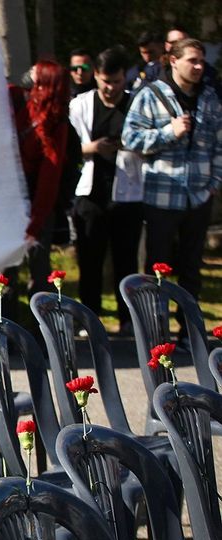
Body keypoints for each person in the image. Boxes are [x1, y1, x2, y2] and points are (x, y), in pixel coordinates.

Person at [122, 38, 222, 342]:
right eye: (192, 60)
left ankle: (189, 332)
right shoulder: (150, 95)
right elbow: (130, 139)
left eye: (201, 61)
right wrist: (169, 132)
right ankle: (156, 331)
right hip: (162, 195)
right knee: (158, 267)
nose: (198, 66)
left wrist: (214, 184)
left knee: (192, 267)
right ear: (173, 61)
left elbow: (219, 144)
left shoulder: (210, 98)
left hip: (199, 195)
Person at [68, 47, 143, 334]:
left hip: (128, 193)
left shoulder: (136, 105)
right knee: (90, 259)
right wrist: (93, 148)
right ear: (96, 77)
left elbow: (149, 143)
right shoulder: (81, 104)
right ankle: (91, 317)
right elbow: (70, 147)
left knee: (126, 260)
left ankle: (127, 319)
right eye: (104, 81)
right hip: (90, 193)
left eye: (116, 82)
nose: (110, 88)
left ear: (125, 79)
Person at [12, 60, 74, 296]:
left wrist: (35, 223)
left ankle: (40, 328)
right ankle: (3, 325)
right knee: (5, 272)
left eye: (36, 72)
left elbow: (49, 179)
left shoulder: (56, 125)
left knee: (39, 269)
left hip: (35, 204)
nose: (29, 74)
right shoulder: (20, 103)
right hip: (8, 200)